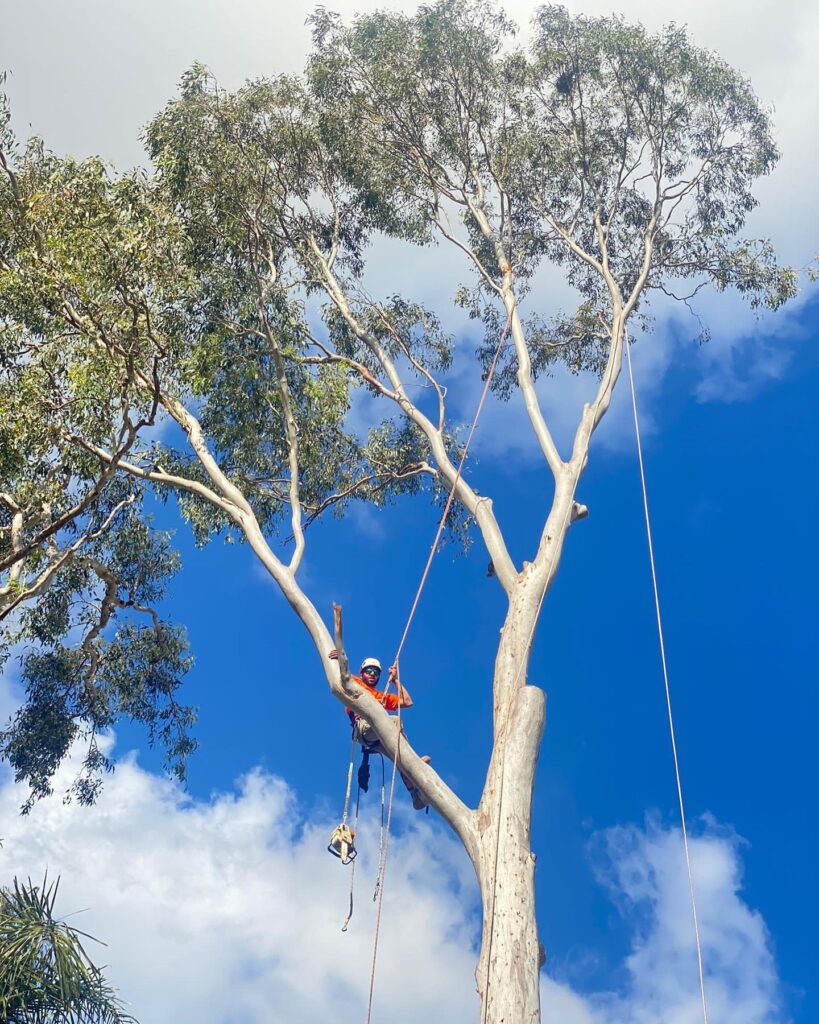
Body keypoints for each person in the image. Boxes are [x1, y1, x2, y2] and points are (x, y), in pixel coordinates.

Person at [329, 650, 430, 810]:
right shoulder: (354, 682)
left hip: (378, 736)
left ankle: (415, 795)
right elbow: (340, 674)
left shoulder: (380, 695)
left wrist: (396, 680)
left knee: (400, 758)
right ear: (361, 673)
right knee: (395, 720)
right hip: (364, 728)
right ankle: (413, 760)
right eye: (369, 671)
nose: (372, 674)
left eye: (376, 672)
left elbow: (407, 702)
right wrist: (338, 660)